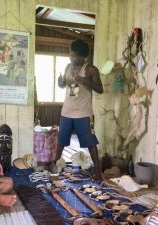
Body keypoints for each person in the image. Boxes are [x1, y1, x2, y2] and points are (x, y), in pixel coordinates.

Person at [56, 39, 103, 181]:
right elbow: (64, 85)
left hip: (83, 112)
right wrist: (61, 83)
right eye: (70, 55)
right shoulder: (68, 67)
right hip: (67, 111)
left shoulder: (90, 69)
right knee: (61, 140)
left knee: (90, 142)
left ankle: (98, 172)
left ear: (83, 56)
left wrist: (85, 81)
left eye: (75, 55)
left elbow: (100, 89)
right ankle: (54, 167)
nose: (72, 58)